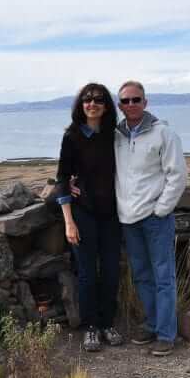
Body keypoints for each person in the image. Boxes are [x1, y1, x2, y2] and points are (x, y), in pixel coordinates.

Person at [114, 80, 188, 357]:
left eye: (136, 99)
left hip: (155, 218)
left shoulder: (163, 133)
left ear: (146, 102)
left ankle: (166, 334)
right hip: (128, 218)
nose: (131, 104)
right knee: (142, 276)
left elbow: (177, 175)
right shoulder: (117, 135)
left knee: (163, 277)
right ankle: (153, 323)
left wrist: (161, 209)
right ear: (119, 105)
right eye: (125, 100)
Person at [55, 83, 124, 352]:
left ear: (106, 105)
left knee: (110, 271)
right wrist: (69, 221)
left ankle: (108, 323)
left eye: (97, 99)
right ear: (80, 105)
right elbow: (62, 178)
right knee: (86, 273)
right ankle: (91, 328)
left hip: (112, 214)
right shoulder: (72, 136)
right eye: (86, 99)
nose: (91, 104)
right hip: (83, 213)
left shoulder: (113, 135)